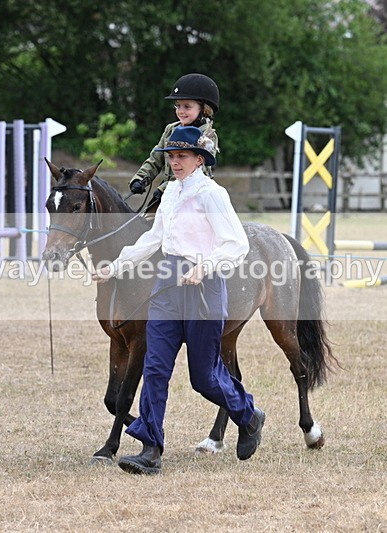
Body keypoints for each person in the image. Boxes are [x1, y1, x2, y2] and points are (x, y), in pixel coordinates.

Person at [93, 126, 265, 475]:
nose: (174, 162)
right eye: (171, 156)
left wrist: (205, 265)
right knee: (155, 369)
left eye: (181, 156)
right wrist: (116, 266)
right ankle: (151, 448)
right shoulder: (170, 192)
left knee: (204, 378)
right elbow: (153, 239)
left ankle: (248, 414)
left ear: (199, 159)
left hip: (204, 286)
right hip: (167, 286)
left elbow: (236, 244)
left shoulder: (212, 194)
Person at [128, 73, 220, 210]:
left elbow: (196, 172)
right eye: (177, 106)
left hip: (194, 195)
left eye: (187, 107)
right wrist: (141, 179)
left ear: (204, 109)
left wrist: (164, 189)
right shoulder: (170, 130)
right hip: (168, 193)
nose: (180, 111)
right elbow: (155, 158)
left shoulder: (208, 136)